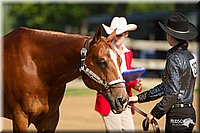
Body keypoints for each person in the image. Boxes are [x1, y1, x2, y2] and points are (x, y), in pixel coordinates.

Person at [129, 12, 198, 133]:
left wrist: (154, 113)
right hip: (189, 112)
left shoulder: (174, 58)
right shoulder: (189, 56)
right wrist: (138, 98)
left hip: (177, 115)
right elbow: (168, 86)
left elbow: (172, 92)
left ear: (170, 36)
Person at [95, 16, 142, 132]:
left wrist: (135, 84)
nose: (116, 38)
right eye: (114, 35)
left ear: (126, 34)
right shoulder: (105, 53)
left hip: (125, 98)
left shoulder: (128, 53)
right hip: (109, 98)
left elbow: (125, 76)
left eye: (120, 35)